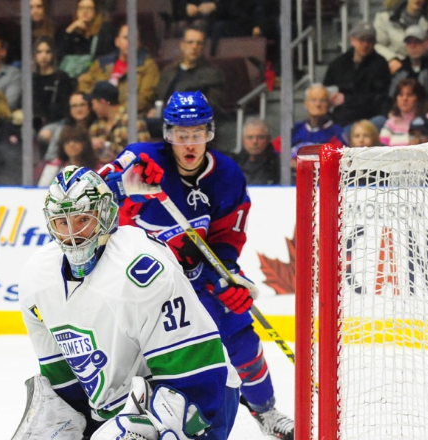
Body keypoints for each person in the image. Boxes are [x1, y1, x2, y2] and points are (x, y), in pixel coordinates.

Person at [97, 91, 295, 439]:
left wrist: (228, 277)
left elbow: (225, 241)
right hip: (139, 283)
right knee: (150, 358)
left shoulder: (227, 176)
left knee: (239, 332)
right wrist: (125, 185)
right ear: (167, 135)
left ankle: (265, 411)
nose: (189, 144)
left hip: (194, 275)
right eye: (180, 135)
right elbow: (92, 190)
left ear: (210, 133)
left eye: (198, 134)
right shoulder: (141, 158)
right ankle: (136, 418)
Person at [17, 165, 240, 439]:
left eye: (83, 219)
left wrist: (159, 429)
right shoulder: (36, 279)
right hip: (117, 410)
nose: (73, 234)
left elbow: (197, 373)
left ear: (106, 214)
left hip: (199, 396)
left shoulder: (142, 270)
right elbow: (64, 381)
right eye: (63, 223)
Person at [77, 24, 161, 116]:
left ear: (139, 44)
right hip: (98, 114)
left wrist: (118, 110)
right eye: (126, 38)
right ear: (117, 41)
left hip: (131, 117)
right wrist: (97, 103)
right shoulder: (101, 63)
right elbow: (84, 83)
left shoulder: (148, 65)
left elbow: (145, 97)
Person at [325, 22, 391, 126]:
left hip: (368, 117)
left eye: (369, 40)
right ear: (352, 40)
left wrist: (347, 100)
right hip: (340, 116)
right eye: (361, 40)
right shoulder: (337, 64)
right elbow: (327, 88)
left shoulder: (380, 64)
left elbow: (380, 97)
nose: (365, 44)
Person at [156, 26, 224, 114]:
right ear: (182, 45)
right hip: (164, 117)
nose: (194, 47)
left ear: (204, 47)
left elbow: (212, 104)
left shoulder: (213, 74)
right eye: (190, 42)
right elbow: (158, 97)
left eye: (199, 43)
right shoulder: (169, 70)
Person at [87, 81, 150, 160]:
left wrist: (117, 158)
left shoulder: (132, 121)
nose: (93, 108)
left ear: (102, 102)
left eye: (93, 103)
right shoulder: (96, 125)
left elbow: (144, 152)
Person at [59, 0, 114, 79]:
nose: (85, 11)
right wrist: (69, 30)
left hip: (95, 73)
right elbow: (60, 55)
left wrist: (89, 69)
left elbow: (102, 58)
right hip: (71, 75)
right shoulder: (72, 32)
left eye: (89, 8)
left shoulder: (104, 31)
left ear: (95, 12)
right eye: (81, 8)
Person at [373, 0, 428, 73]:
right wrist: (391, 58)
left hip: (422, 67)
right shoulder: (385, 18)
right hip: (393, 67)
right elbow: (377, 44)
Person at [41, 92, 98, 161]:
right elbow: (50, 156)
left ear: (90, 107)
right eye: (74, 106)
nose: (79, 109)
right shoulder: (62, 130)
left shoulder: (99, 127)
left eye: (82, 105)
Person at [32, 37, 75, 128]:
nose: (43, 56)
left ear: (53, 54)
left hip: (57, 122)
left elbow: (64, 105)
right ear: (34, 55)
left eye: (48, 52)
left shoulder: (61, 77)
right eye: (39, 52)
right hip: (35, 121)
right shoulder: (32, 78)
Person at [378, 78, 427, 147]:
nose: (404, 98)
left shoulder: (427, 120)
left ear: (418, 98)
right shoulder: (391, 123)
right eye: (401, 94)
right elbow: (382, 149)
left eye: (410, 94)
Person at [235, 117, 280, 185]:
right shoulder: (233, 165)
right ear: (243, 141)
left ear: (268, 139)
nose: (255, 141)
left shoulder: (279, 166)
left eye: (260, 137)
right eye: (250, 137)